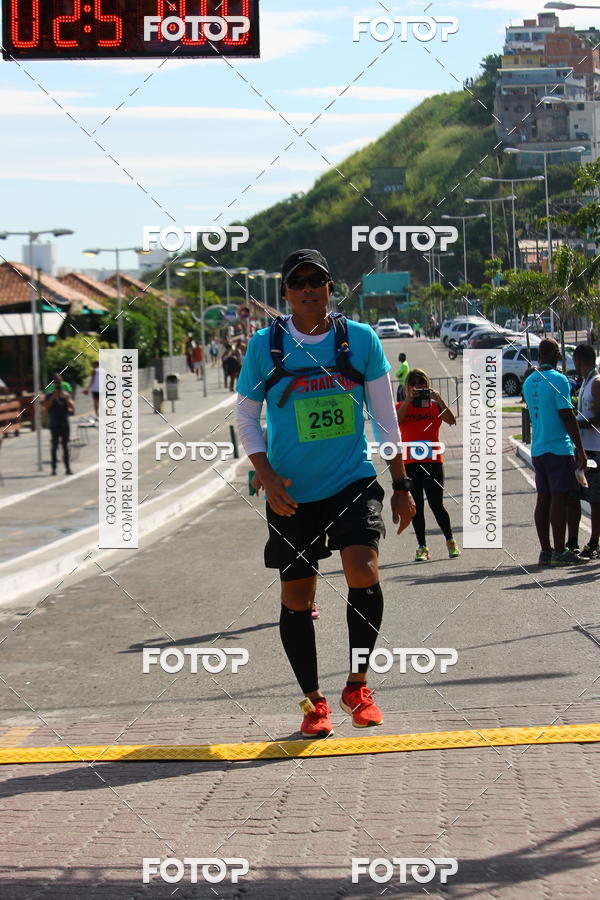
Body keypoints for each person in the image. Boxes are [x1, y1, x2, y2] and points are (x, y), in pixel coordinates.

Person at [236, 248, 416, 739]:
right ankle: (313, 701)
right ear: (286, 294)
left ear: (331, 287)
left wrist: (400, 484)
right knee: (299, 595)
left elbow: (384, 417)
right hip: (291, 492)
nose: (309, 288)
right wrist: (266, 475)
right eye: (298, 282)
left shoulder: (359, 340)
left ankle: (357, 684)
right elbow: (247, 418)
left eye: (317, 279)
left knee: (363, 569)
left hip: (350, 482)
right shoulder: (264, 346)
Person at [522, 338, 587, 567]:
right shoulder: (559, 380)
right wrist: (579, 448)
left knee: (544, 498)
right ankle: (560, 551)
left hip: (538, 448)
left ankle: (546, 551)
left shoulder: (529, 381)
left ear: (540, 356)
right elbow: (567, 416)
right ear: (556, 354)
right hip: (558, 448)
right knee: (559, 498)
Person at [396, 369, 460, 561]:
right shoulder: (401, 406)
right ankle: (422, 546)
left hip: (432, 462)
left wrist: (439, 400)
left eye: (421, 382)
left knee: (436, 504)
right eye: (413, 383)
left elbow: (451, 421)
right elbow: (396, 422)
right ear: (407, 387)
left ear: (427, 384)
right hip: (411, 464)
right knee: (417, 506)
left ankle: (450, 541)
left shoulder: (433, 407)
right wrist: (407, 401)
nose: (418, 386)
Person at [573, 344, 600, 559]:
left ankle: (594, 542)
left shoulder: (596, 383)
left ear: (578, 361)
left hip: (597, 449)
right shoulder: (586, 382)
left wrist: (578, 423)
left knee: (596, 499)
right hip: (588, 448)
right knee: (592, 499)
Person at [45, 373, 74, 476]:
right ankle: (53, 468)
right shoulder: (49, 394)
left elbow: (72, 407)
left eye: (59, 382)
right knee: (54, 446)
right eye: (56, 382)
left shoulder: (65, 394)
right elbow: (47, 407)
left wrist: (65, 398)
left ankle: (68, 468)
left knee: (65, 446)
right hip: (54, 422)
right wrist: (53, 396)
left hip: (64, 422)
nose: (58, 384)